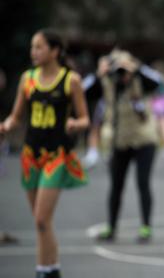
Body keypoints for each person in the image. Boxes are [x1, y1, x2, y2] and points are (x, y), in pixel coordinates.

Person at [0, 29, 89, 278]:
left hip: (56, 156)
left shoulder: (70, 80)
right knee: (42, 223)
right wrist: (5, 127)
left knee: (41, 218)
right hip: (31, 156)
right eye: (32, 47)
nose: (34, 52)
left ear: (55, 51)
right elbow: (16, 117)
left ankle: (41, 271)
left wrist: (75, 124)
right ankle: (52, 269)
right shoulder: (27, 79)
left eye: (39, 47)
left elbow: (85, 119)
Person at [83, 49, 164, 243]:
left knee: (143, 183)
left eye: (124, 69)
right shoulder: (106, 81)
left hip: (144, 139)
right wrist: (98, 74)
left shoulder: (141, 79)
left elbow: (158, 82)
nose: (122, 74)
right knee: (116, 186)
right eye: (118, 69)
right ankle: (111, 227)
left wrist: (137, 68)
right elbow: (83, 91)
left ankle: (146, 227)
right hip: (118, 141)